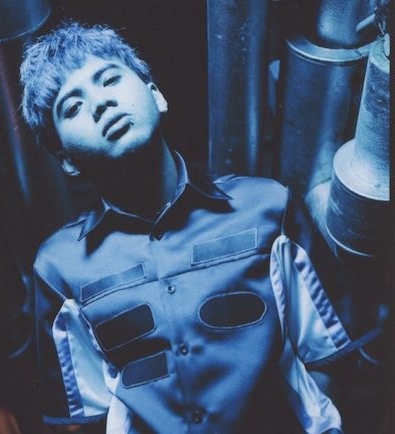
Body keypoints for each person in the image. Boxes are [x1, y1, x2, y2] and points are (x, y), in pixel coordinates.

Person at [19, 21, 351, 434]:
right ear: (66, 160)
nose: (101, 104)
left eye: (109, 80)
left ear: (156, 95)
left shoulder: (267, 207)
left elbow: (328, 357)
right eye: (72, 107)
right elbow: (83, 418)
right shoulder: (60, 268)